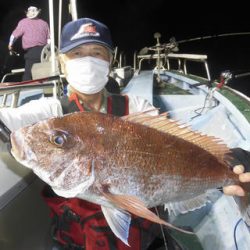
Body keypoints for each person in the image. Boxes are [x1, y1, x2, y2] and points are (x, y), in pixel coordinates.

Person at [0, 17, 250, 249]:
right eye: (77, 53)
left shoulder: (137, 108)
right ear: (63, 62)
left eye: (96, 53)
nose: (87, 60)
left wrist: (228, 164)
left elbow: (180, 153)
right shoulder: (51, 112)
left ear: (109, 60)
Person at [8, 6, 50, 81]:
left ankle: (26, 91)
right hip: (45, 52)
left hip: (32, 52)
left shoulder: (24, 22)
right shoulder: (44, 23)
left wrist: (10, 45)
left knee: (28, 76)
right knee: (43, 75)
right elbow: (49, 39)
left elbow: (14, 35)